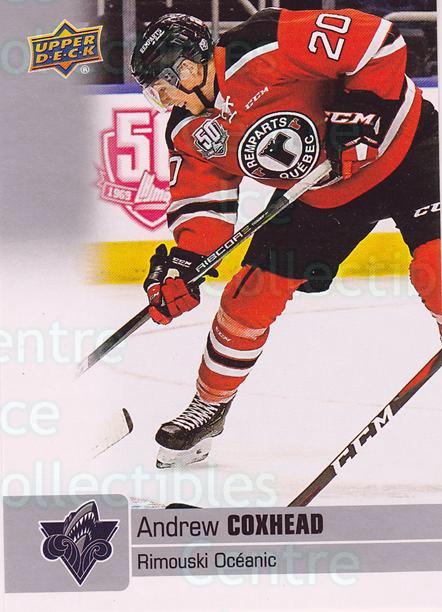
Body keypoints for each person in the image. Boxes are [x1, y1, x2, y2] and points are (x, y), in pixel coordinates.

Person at [130, 9, 441, 468]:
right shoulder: (186, 129)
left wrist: (361, 111)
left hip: (408, 152)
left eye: (163, 87)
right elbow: (202, 203)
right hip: (322, 192)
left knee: (436, 270)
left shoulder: (262, 43)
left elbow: (379, 40)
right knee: (248, 298)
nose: (163, 100)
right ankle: (209, 407)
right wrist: (186, 262)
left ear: (190, 68)